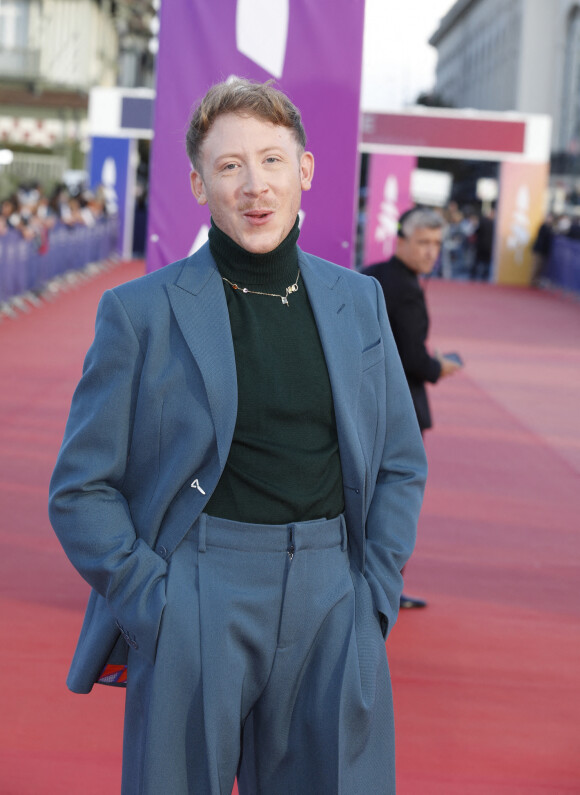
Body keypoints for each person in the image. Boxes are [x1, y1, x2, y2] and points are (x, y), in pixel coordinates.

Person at [49, 78, 427, 795]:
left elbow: (401, 463)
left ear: (305, 170)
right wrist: (151, 599)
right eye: (229, 166)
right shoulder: (139, 312)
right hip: (196, 590)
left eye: (272, 161)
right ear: (198, 183)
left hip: (333, 595)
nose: (255, 186)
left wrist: (374, 589)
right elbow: (80, 487)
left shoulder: (361, 300)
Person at [365, 207, 461, 609]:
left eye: (436, 244)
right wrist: (441, 366)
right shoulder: (401, 287)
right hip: (398, 409)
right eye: (423, 242)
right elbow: (410, 358)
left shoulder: (370, 274)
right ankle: (386, 588)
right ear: (401, 238)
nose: (430, 252)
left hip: (367, 404)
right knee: (393, 503)